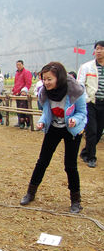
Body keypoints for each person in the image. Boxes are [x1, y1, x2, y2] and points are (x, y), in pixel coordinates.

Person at [20, 62, 87, 213]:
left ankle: (75, 200)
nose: (46, 82)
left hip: (72, 130)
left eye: (49, 79)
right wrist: (42, 122)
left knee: (70, 165)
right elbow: (46, 112)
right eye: (44, 79)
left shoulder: (75, 90)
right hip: (54, 128)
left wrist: (74, 120)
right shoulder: (45, 92)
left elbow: (82, 112)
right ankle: (30, 193)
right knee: (42, 161)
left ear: (59, 77)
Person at [77, 40, 104, 168]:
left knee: (99, 131)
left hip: (103, 104)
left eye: (101, 48)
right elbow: (80, 84)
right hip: (91, 103)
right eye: (97, 48)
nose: (98, 51)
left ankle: (85, 152)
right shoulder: (87, 67)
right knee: (91, 130)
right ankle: (91, 157)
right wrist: (86, 99)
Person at [12, 60, 33, 128]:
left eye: (19, 65)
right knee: (19, 109)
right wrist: (14, 91)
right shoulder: (17, 73)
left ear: (22, 65)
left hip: (23, 94)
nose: (18, 66)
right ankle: (21, 122)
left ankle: (28, 123)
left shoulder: (26, 72)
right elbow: (16, 83)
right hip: (17, 94)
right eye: (17, 65)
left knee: (25, 109)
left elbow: (28, 83)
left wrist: (24, 91)